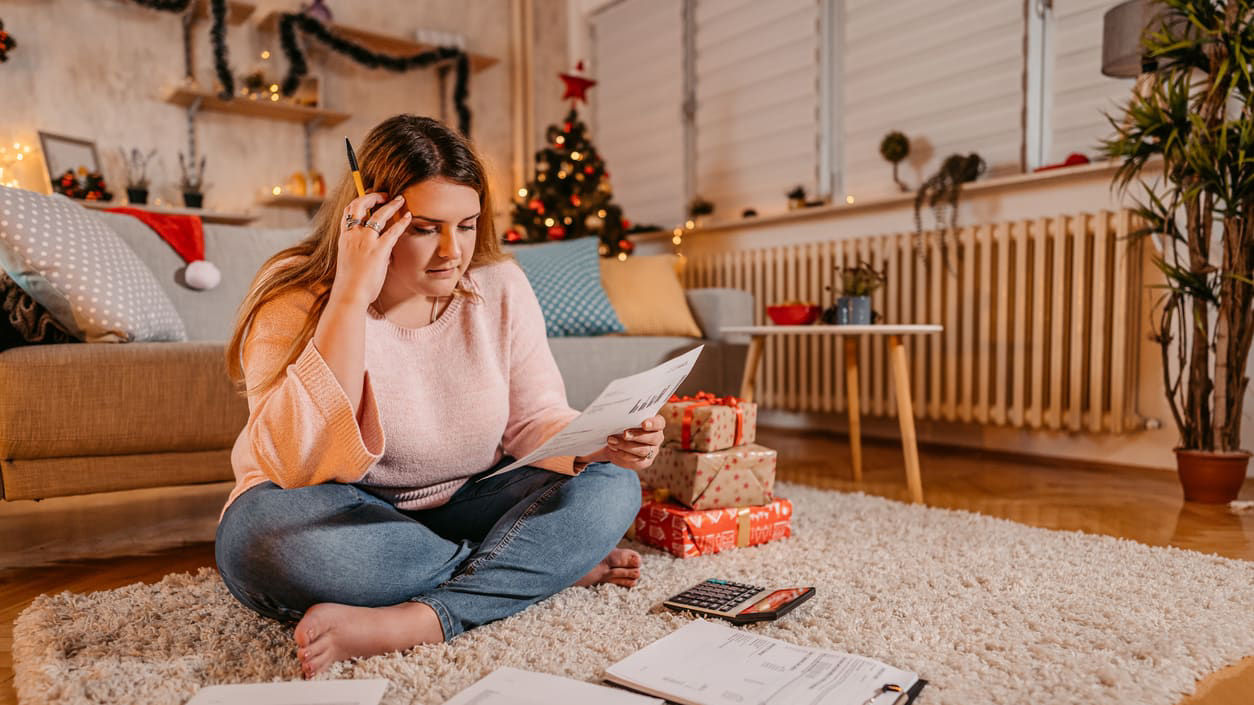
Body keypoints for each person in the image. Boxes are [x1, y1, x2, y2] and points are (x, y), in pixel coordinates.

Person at [215, 114, 664, 678]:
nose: (453, 252)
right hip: (349, 512)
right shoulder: (295, 294)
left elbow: (535, 419)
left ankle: (421, 618)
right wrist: (351, 296)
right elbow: (290, 461)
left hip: (471, 498)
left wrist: (600, 441)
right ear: (370, 218)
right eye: (425, 228)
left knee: (613, 483)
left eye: (468, 225)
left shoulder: (500, 285)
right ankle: (538, 566)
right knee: (260, 542)